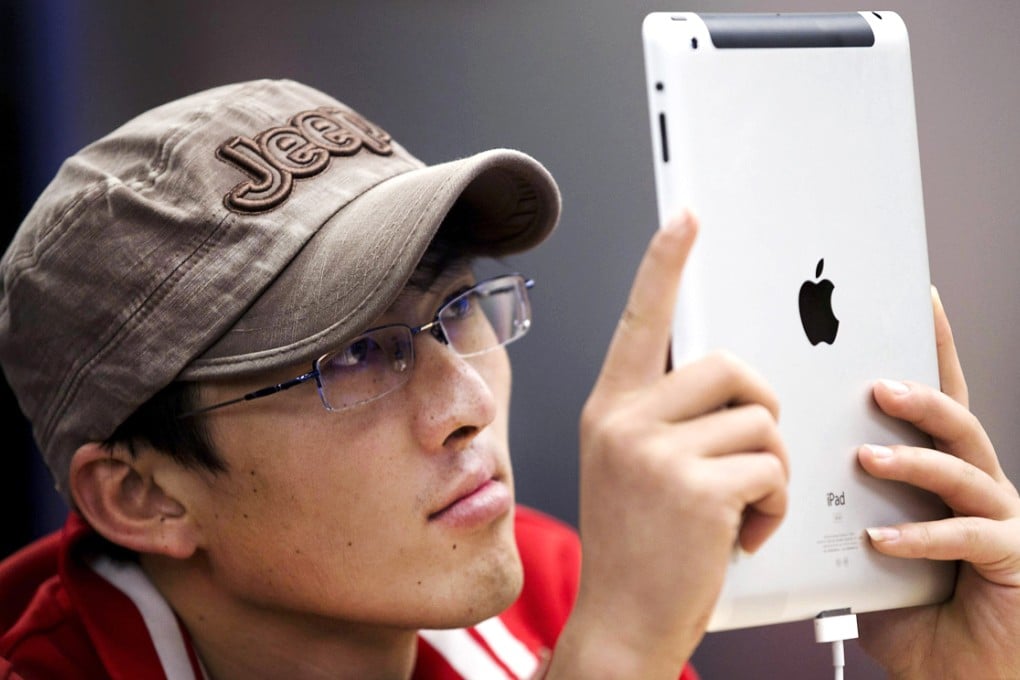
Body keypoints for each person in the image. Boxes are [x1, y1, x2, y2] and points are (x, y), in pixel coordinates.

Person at [0, 78, 1016, 680]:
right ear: (143, 492)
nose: (469, 403)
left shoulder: (539, 581)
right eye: (352, 354)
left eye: (457, 308)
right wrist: (614, 652)